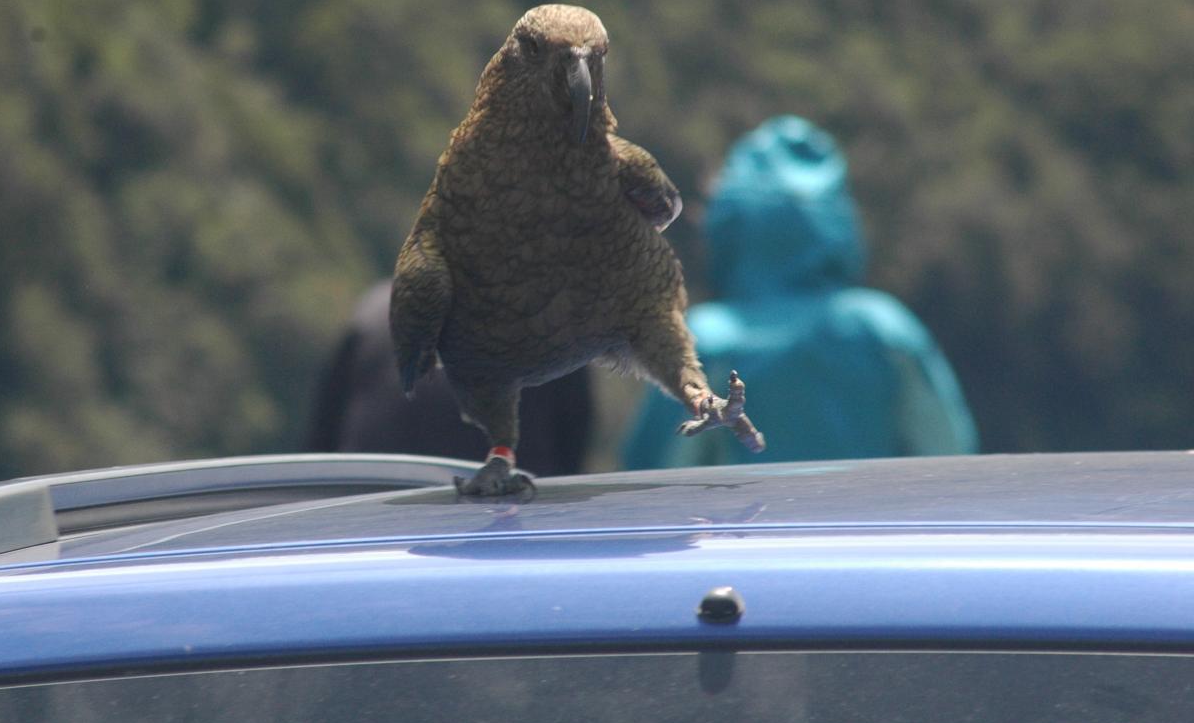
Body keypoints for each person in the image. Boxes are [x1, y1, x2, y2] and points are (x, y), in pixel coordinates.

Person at [623, 115, 978, 468]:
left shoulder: (705, 342)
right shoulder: (883, 331)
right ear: (837, 220)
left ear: (730, 222)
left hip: (744, 525)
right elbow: (953, 461)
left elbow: (649, 487)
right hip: (871, 525)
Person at [308, 279, 593, 475]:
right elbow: (568, 467)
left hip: (364, 530)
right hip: (504, 536)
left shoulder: (373, 313)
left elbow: (320, 451)